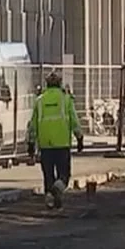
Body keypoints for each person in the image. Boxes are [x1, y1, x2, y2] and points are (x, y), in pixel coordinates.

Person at [26, 72, 84, 209]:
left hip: (45, 144)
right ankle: (57, 190)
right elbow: (74, 121)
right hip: (62, 143)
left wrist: (31, 142)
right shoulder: (65, 99)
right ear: (60, 83)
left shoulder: (39, 101)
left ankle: (50, 201)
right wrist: (79, 137)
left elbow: (33, 124)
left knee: (48, 175)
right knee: (64, 174)